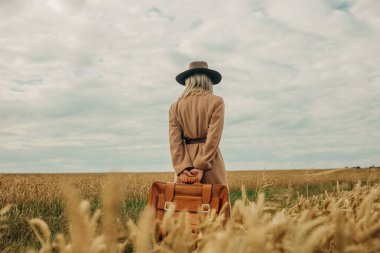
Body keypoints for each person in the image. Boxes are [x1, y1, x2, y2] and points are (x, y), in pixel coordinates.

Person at [169, 61, 227, 186]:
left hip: (185, 166)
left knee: (183, 202)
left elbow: (175, 142)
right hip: (210, 162)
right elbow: (213, 137)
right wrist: (201, 166)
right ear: (208, 80)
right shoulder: (217, 102)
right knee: (215, 203)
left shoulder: (175, 107)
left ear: (188, 81)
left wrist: (181, 168)